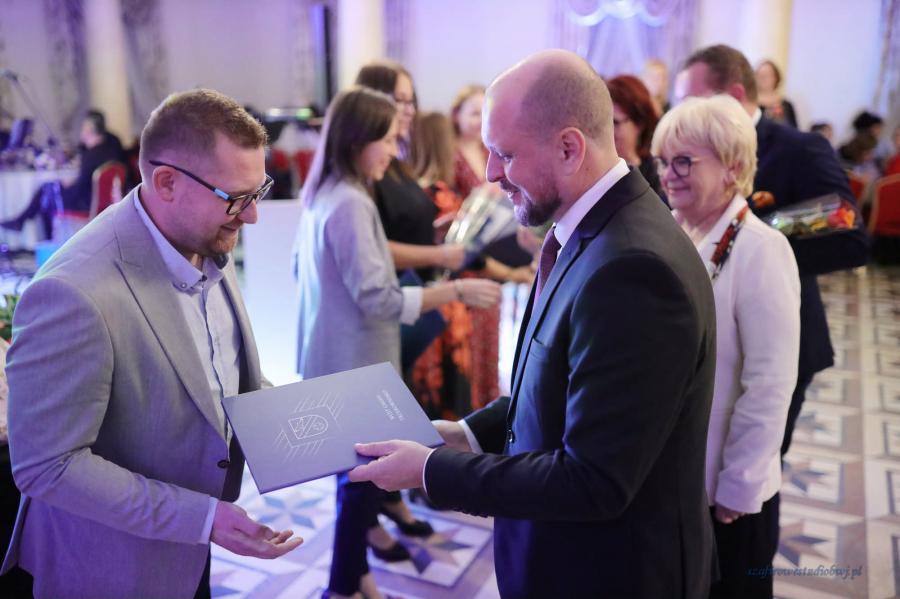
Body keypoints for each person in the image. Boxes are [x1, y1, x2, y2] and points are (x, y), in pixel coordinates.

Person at [348, 49, 718, 599]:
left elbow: (593, 480)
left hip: (607, 576)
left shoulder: (634, 268)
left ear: (570, 147)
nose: (491, 173)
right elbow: (558, 388)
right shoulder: (593, 229)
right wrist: (462, 434)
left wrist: (430, 470)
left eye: (505, 154)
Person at [0, 89, 302, 599]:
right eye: (236, 198)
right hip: (110, 567)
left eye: (259, 192)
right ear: (166, 182)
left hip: (187, 553)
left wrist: (327, 426)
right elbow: (47, 466)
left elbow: (214, 374)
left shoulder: (202, 234)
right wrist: (202, 518)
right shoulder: (74, 293)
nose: (251, 216)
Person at [293, 86, 500, 599]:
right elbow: (377, 298)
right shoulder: (350, 202)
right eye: (387, 139)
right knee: (360, 483)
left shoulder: (327, 192)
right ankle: (343, 585)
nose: (393, 150)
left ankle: (355, 576)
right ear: (358, 140)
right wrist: (454, 291)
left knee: (355, 480)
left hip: (336, 357)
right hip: (356, 363)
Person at [675, 44, 869, 458]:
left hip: (778, 341)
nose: (680, 114)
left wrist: (760, 237)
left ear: (734, 96)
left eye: (691, 102)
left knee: (754, 470)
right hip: (707, 342)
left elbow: (847, 230)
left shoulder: (798, 148)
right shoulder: (687, 152)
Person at [653, 94, 801, 598]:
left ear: (733, 167)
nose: (667, 175)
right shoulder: (673, 233)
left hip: (728, 493)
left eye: (683, 161)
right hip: (676, 479)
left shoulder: (762, 249)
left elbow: (771, 383)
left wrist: (738, 484)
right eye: (662, 161)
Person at [353, 61, 466, 562]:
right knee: (374, 424)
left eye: (409, 100)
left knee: (397, 414)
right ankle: (366, 525)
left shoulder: (394, 164)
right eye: (395, 100)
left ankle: (391, 503)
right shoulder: (363, 179)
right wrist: (441, 258)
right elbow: (375, 254)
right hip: (389, 310)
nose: (406, 109)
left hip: (410, 303)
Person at [1, 109, 126, 237]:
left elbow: (79, 188)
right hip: (102, 203)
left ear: (88, 129)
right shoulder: (110, 148)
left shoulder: (90, 156)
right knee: (50, 189)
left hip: (84, 204)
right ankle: (21, 221)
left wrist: (66, 186)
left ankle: (35, 230)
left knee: (48, 189)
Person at [606, 74, 664, 200]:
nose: (606, 130)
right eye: (603, 121)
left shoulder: (657, 175)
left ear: (639, 124)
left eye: (615, 122)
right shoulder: (594, 170)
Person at [755, 60, 798, 128]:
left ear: (776, 78)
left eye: (767, 75)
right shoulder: (751, 104)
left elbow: (794, 130)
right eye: (760, 75)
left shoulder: (787, 105)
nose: (763, 78)